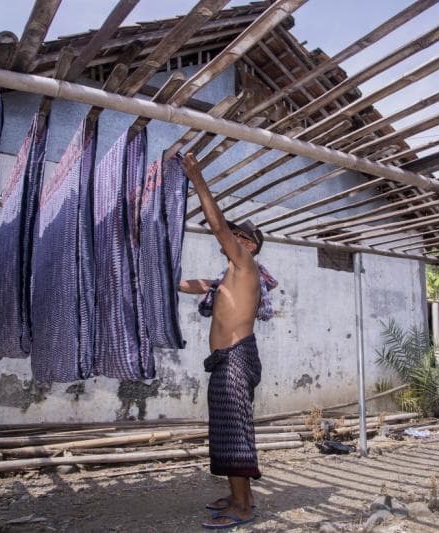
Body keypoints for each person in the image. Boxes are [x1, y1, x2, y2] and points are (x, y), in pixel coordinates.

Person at [179, 153, 275, 530]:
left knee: (234, 432)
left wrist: (196, 178)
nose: (230, 238)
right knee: (225, 430)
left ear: (249, 245)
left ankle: (244, 506)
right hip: (226, 360)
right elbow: (195, 285)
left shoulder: (246, 265)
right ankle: (239, 495)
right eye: (233, 235)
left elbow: (217, 226)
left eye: (238, 236)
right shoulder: (227, 278)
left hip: (236, 358)